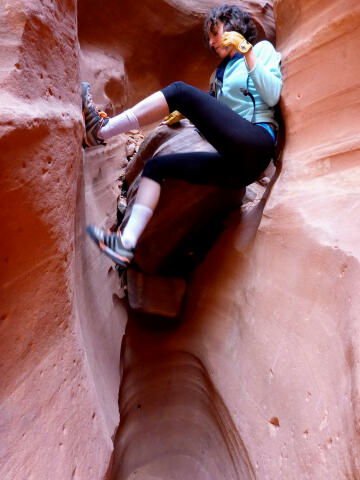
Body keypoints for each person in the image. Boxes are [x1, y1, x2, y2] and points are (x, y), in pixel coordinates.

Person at [84, 4, 282, 268]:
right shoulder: (218, 75)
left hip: (257, 141)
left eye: (215, 33)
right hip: (237, 168)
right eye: (209, 38)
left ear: (233, 25)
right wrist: (188, 114)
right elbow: (222, 118)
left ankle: (101, 130)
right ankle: (125, 242)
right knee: (156, 167)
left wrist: (247, 53)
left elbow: (272, 95)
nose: (211, 42)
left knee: (178, 91)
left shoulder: (261, 51)